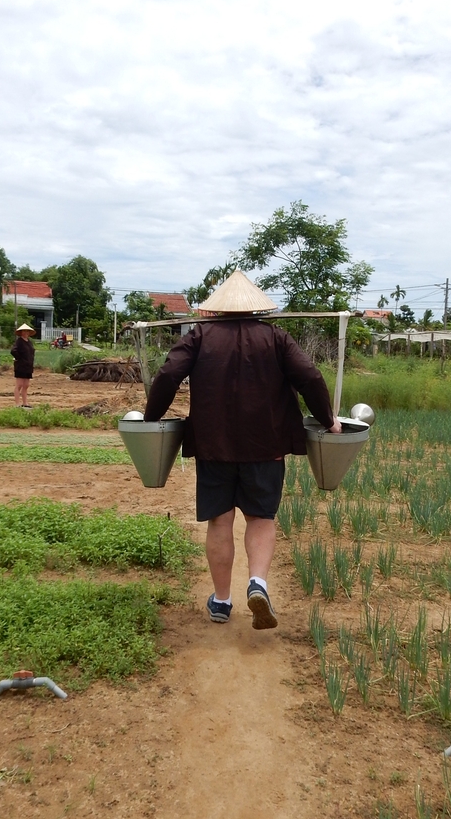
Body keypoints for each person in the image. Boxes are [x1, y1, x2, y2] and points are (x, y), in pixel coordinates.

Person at [144, 270, 341, 630]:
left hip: (212, 445)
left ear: (217, 309)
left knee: (220, 520)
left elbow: (169, 374)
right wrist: (328, 420)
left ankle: (221, 601)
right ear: (255, 308)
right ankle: (258, 584)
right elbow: (310, 377)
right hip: (266, 447)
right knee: (261, 518)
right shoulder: (276, 337)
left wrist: (150, 417)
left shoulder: (199, 336)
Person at [11, 322, 36, 408]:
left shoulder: (29, 342)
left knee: (26, 385)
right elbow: (13, 351)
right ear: (21, 332)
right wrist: (19, 359)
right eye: (24, 331)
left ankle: (25, 403)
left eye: (27, 331)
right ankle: (17, 403)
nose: (26, 333)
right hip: (21, 366)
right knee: (19, 384)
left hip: (28, 366)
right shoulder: (19, 341)